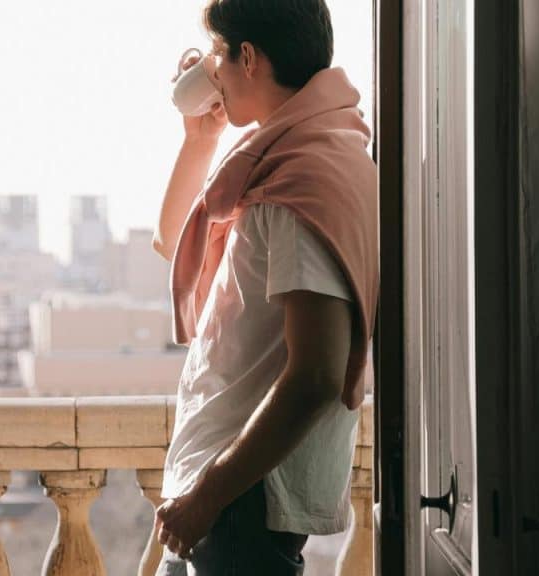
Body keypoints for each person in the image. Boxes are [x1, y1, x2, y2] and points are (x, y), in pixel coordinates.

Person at [151, 1, 379, 574]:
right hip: (227, 497)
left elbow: (315, 375)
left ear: (247, 57)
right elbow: (175, 241)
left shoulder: (302, 181)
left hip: (238, 503)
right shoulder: (292, 157)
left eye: (219, 59)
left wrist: (206, 497)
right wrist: (199, 139)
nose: (214, 77)